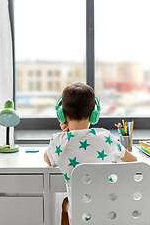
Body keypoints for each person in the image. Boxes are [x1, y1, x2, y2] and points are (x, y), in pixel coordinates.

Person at [44, 82, 137, 225]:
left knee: (65, 204)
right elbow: (133, 160)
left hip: (83, 218)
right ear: (94, 115)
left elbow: (48, 160)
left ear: (61, 115)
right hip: (113, 215)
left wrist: (65, 135)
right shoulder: (106, 137)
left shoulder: (59, 141)